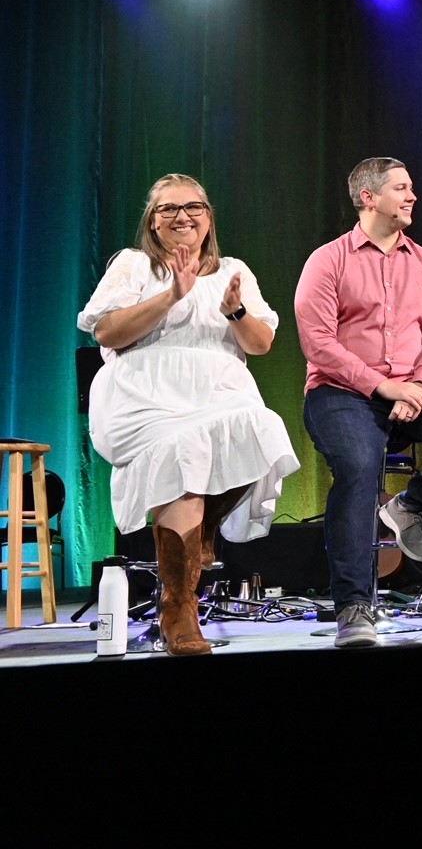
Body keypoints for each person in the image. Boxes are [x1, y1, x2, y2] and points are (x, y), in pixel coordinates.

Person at [77, 174, 299, 656]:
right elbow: (107, 334)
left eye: (193, 207)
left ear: (208, 217)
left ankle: (201, 533)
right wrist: (172, 295)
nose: (182, 216)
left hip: (219, 391)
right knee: (182, 449)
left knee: (264, 429)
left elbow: (261, 343)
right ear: (152, 223)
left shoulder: (232, 269)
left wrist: (236, 312)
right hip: (144, 393)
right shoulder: (134, 265)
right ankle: (179, 606)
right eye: (169, 209)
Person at [294, 157, 422, 648]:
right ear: (368, 198)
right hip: (340, 393)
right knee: (359, 467)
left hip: (413, 388)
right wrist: (383, 387)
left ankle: (411, 506)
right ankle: (353, 606)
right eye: (401, 188)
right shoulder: (328, 260)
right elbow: (318, 343)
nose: (412, 197)